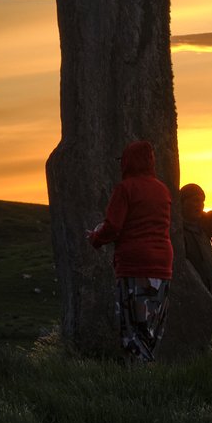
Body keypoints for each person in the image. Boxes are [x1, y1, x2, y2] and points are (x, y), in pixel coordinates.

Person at [88, 140, 174, 363]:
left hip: (135, 266)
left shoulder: (125, 188)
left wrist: (96, 237)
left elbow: (114, 227)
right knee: (152, 329)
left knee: (132, 330)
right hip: (163, 266)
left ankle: (142, 383)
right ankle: (148, 379)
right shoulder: (162, 190)